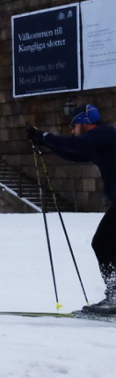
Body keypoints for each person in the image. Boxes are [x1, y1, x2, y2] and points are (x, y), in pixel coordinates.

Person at [28, 103, 115, 314]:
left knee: (102, 243)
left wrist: (45, 136)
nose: (72, 130)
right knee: (104, 244)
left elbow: (75, 145)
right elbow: (73, 153)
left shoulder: (104, 134)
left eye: (73, 126)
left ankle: (114, 296)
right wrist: (44, 142)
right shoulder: (98, 143)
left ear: (84, 124)